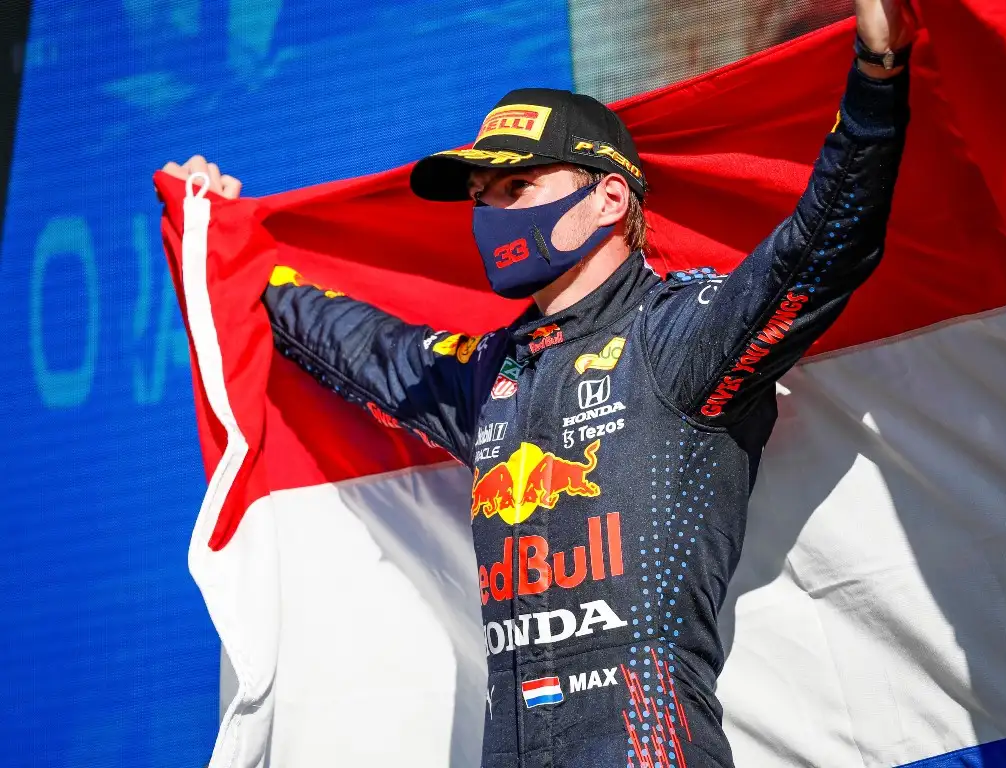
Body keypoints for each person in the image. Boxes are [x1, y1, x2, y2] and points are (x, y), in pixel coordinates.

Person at [164, 0, 913, 764]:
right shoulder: (488, 373)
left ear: (610, 197)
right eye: (480, 198)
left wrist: (877, 77)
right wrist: (222, 243)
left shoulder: (677, 336)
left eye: (515, 187)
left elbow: (822, 246)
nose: (488, 213)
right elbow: (358, 345)